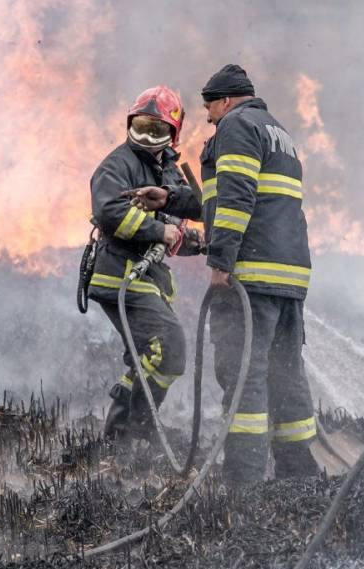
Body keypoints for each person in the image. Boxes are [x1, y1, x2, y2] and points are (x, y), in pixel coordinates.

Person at [132, 64, 321, 486]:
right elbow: (226, 199)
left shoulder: (236, 126)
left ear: (226, 100)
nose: (209, 118)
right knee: (285, 368)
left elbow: (234, 199)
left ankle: (244, 479)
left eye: (210, 108)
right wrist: (172, 198)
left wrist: (220, 262)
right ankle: (298, 471)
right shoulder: (278, 133)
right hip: (288, 275)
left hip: (250, 275)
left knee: (243, 372)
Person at [87, 85, 202, 444]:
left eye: (157, 130)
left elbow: (176, 226)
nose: (148, 136)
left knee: (158, 353)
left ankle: (131, 431)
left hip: (145, 275)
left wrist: (195, 242)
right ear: (129, 124)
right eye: (141, 126)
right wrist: (160, 230)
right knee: (167, 344)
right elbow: (109, 212)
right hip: (119, 273)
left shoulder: (168, 171)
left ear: (173, 134)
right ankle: (127, 431)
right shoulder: (118, 164)